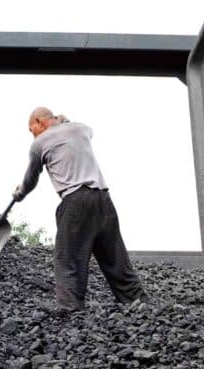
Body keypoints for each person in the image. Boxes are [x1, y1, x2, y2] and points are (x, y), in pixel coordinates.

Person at [12, 107, 144, 312]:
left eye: (32, 130)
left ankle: (70, 305)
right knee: (114, 255)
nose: (33, 135)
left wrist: (19, 193)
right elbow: (90, 131)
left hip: (76, 200)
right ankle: (136, 300)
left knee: (67, 256)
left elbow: (31, 179)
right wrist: (65, 122)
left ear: (39, 121)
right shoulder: (80, 129)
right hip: (103, 199)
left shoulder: (39, 143)